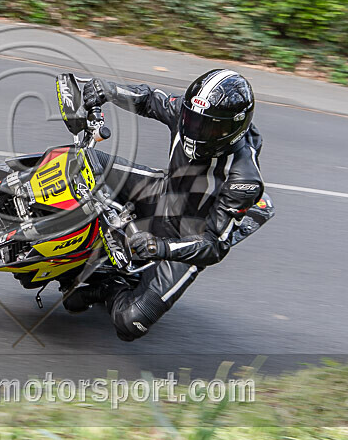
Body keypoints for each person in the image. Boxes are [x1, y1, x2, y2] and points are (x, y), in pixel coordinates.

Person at [63, 69, 275, 341]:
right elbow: (150, 99)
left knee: (130, 323)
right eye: (191, 119)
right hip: (161, 191)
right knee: (81, 160)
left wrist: (158, 247)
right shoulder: (186, 114)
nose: (194, 129)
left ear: (232, 130)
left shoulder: (243, 179)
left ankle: (109, 287)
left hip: (186, 238)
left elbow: (213, 245)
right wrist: (108, 90)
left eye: (206, 126)